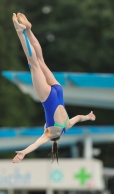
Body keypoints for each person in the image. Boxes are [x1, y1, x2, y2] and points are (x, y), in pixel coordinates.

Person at [12, 13, 96, 163]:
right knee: (34, 64)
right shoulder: (49, 133)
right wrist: (23, 153)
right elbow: (36, 144)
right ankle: (21, 32)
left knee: (41, 60)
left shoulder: (66, 126)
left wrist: (88, 117)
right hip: (48, 97)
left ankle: (29, 30)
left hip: (58, 89)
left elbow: (79, 118)